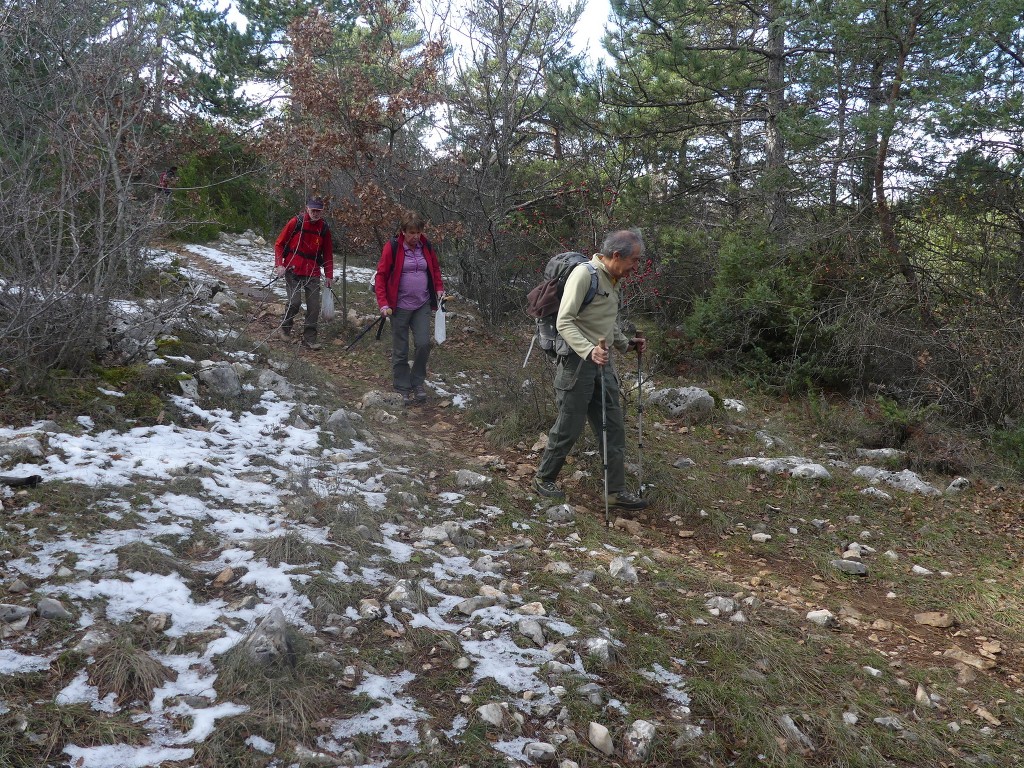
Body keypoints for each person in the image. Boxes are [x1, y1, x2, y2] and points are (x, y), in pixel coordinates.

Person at [533, 229, 650, 511]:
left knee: (613, 427)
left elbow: (605, 320)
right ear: (616, 255)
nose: (637, 267)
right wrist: (588, 350)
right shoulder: (585, 275)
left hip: (603, 361)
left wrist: (625, 344)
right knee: (569, 426)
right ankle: (544, 478)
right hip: (577, 362)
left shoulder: (612, 279)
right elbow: (565, 321)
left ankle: (615, 491)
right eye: (634, 260)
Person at [373, 210, 444, 405]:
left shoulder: (426, 246)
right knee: (401, 349)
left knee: (423, 344)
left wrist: (439, 289)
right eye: (411, 232)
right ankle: (402, 386)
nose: (415, 236)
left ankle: (417, 382)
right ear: (403, 231)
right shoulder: (393, 247)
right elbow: (381, 276)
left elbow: (435, 269)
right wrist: (383, 303)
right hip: (399, 306)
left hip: (422, 303)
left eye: (418, 232)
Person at [273, 197, 334, 350]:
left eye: (318, 210)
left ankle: (310, 338)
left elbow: (327, 254)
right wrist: (279, 264)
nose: (315, 213)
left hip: (312, 271)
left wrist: (329, 275)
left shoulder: (324, 228)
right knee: (295, 302)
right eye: (313, 209)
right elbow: (279, 244)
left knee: (314, 306)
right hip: (292, 268)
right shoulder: (296, 222)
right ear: (307, 208)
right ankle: (285, 328)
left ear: (322, 211)